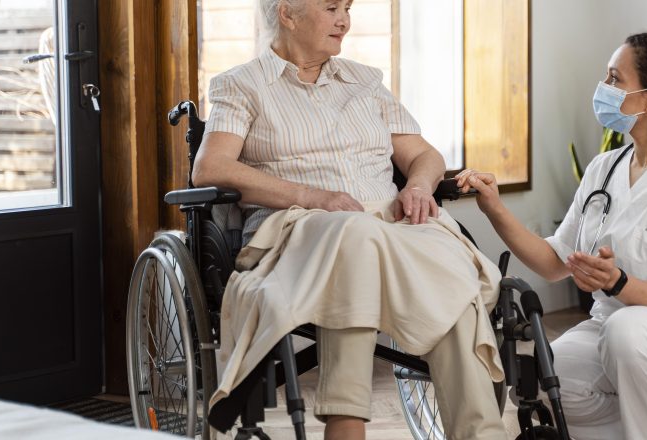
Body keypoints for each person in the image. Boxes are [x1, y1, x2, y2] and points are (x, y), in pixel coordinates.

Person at [192, 1, 506, 439]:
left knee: (447, 263)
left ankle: (481, 433)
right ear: (287, 14)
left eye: (347, 7)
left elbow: (424, 155)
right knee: (355, 231)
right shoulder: (242, 85)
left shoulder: (365, 82)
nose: (344, 19)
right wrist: (312, 196)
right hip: (298, 226)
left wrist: (418, 186)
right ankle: (345, 420)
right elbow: (211, 169)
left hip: (387, 226)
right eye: (331, 7)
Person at [456, 31, 647, 440]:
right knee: (545, 377)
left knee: (629, 330)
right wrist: (494, 208)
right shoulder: (605, 168)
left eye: (615, 78)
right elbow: (554, 263)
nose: (604, 88)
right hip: (610, 332)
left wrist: (617, 282)